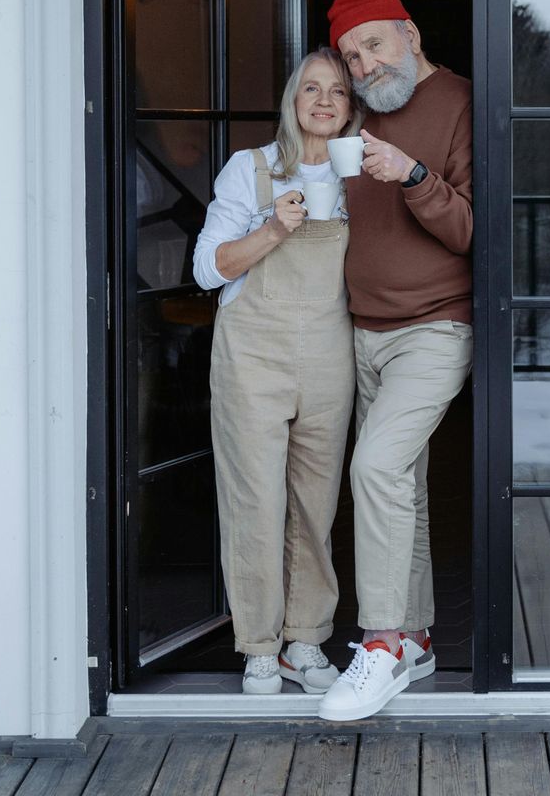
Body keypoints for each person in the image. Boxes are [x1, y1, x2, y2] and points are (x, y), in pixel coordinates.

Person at [316, 0, 474, 722]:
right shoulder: (354, 116)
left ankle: (377, 646)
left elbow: (478, 232)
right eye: (352, 55)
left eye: (373, 43)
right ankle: (414, 638)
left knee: (376, 468)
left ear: (409, 34)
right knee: (398, 482)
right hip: (360, 329)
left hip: (435, 326)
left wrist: (411, 175)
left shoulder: (464, 102)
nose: (365, 65)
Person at [190, 48, 360, 694]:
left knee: (315, 504)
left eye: (337, 92)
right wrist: (272, 230)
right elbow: (207, 268)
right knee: (255, 499)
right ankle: (259, 644)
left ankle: (305, 641)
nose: (323, 101)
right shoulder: (250, 170)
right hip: (253, 353)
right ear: (292, 101)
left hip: (327, 351)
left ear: (349, 110)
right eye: (311, 89)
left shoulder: (356, 179)